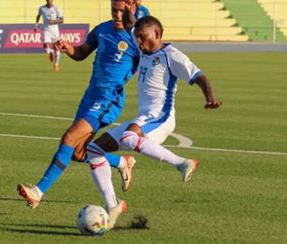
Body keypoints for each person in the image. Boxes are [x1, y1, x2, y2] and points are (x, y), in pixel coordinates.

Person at [85, 15, 222, 229]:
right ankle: (113, 205)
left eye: (143, 37)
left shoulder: (172, 55)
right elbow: (132, 24)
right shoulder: (143, 49)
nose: (139, 41)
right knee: (93, 150)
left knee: (129, 137)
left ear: (157, 34)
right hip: (143, 117)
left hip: (161, 116)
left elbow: (200, 77)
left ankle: (181, 163)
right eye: (138, 37)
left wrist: (210, 98)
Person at [18, 0, 139, 229]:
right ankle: (121, 162)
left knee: (69, 137)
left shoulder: (137, 37)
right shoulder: (102, 29)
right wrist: (67, 48)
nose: (116, 14)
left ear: (131, 9)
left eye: (121, 10)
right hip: (90, 96)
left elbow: (155, 57)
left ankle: (38, 192)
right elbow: (82, 53)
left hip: (108, 100)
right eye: (113, 9)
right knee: (78, 152)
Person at [35, 0, 64, 71]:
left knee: (57, 49)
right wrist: (36, 25)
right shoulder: (42, 8)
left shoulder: (56, 9)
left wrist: (54, 21)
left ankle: (56, 64)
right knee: (46, 47)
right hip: (46, 30)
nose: (49, 0)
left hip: (55, 31)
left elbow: (62, 20)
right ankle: (50, 52)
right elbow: (38, 15)